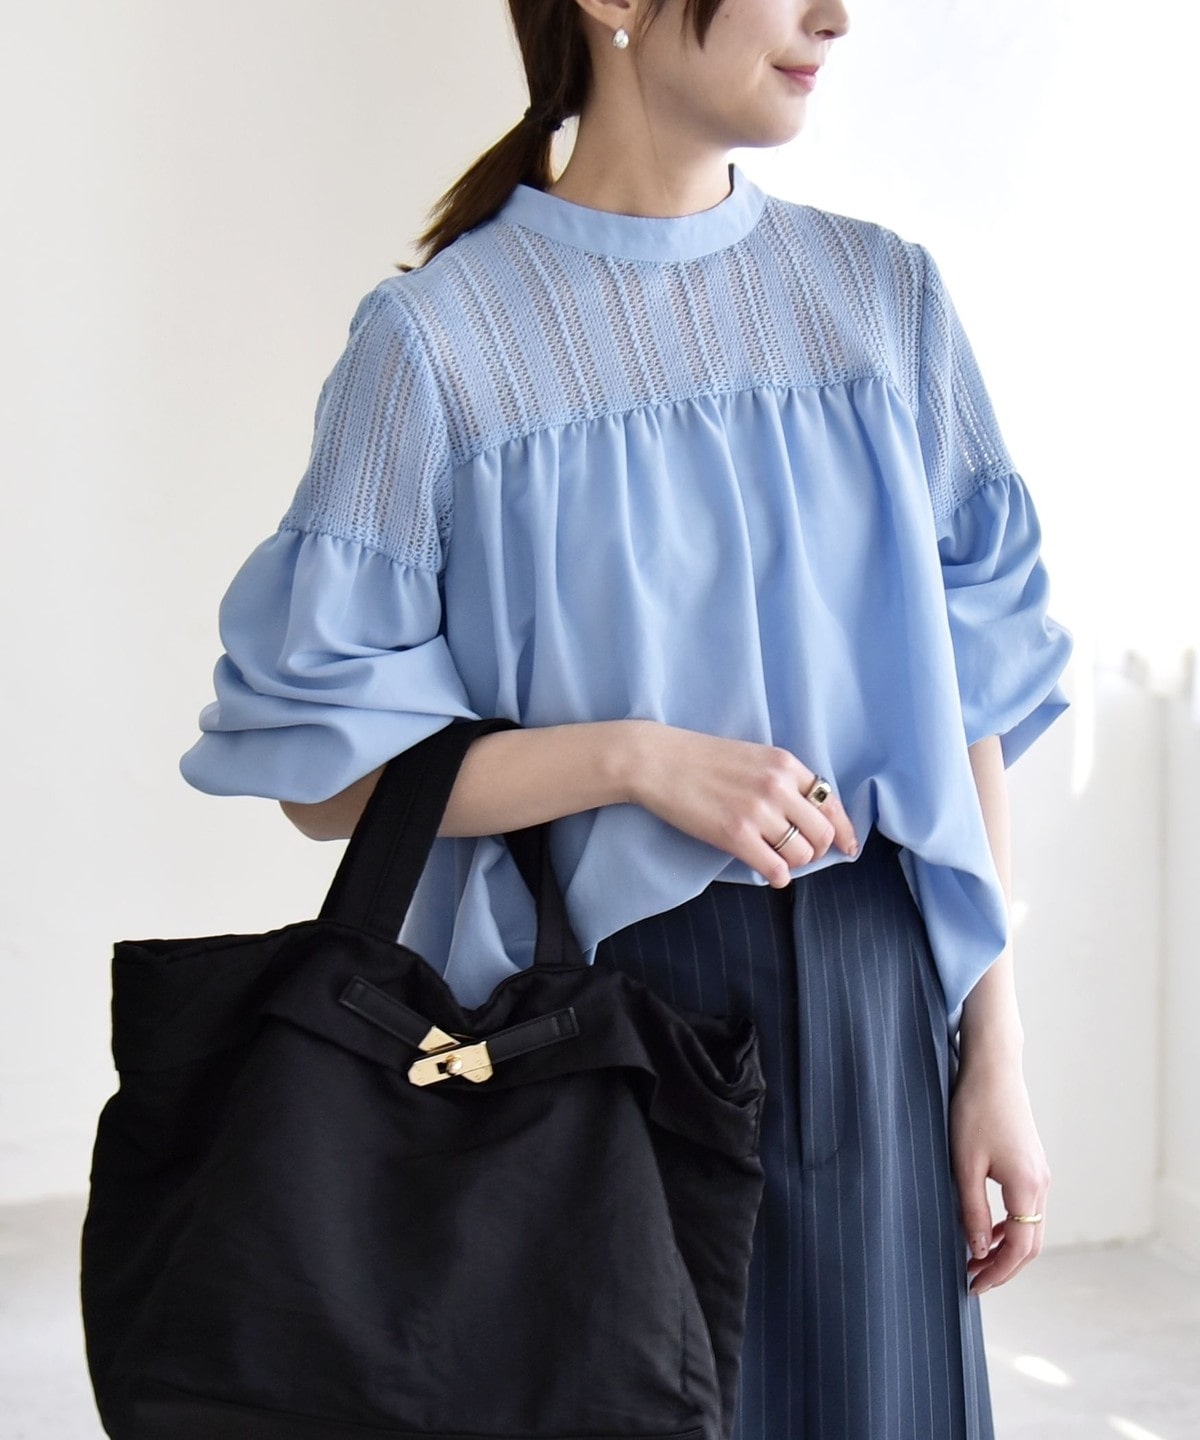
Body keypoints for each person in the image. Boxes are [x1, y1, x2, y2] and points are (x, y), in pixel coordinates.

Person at [180, 1, 1073, 1435]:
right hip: (595, 1030)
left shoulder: (881, 300)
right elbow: (326, 776)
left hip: (875, 1004)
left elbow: (976, 693)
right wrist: (633, 763)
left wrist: (995, 1053)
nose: (836, 16)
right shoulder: (438, 346)